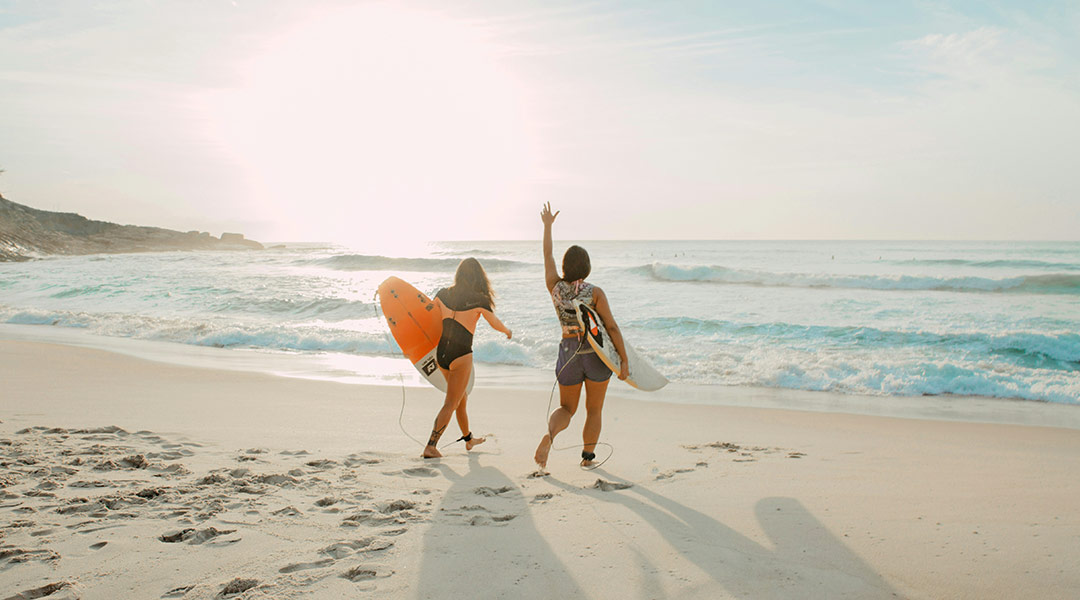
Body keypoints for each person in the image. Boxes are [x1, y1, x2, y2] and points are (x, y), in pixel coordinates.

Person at [534, 203, 628, 469]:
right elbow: (611, 327)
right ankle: (587, 459)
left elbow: (547, 255)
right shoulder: (595, 292)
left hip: (568, 353)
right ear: (587, 267)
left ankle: (550, 437)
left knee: (567, 409)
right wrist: (624, 360)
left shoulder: (555, 287)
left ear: (565, 266)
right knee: (594, 410)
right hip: (595, 355)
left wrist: (548, 226)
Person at [423, 258, 512, 459]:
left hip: (442, 354)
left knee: (460, 398)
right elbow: (494, 322)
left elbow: (427, 313)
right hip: (461, 355)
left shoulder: (443, 293)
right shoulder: (479, 299)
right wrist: (507, 331)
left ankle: (468, 439)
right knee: (451, 402)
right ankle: (431, 445)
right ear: (479, 276)